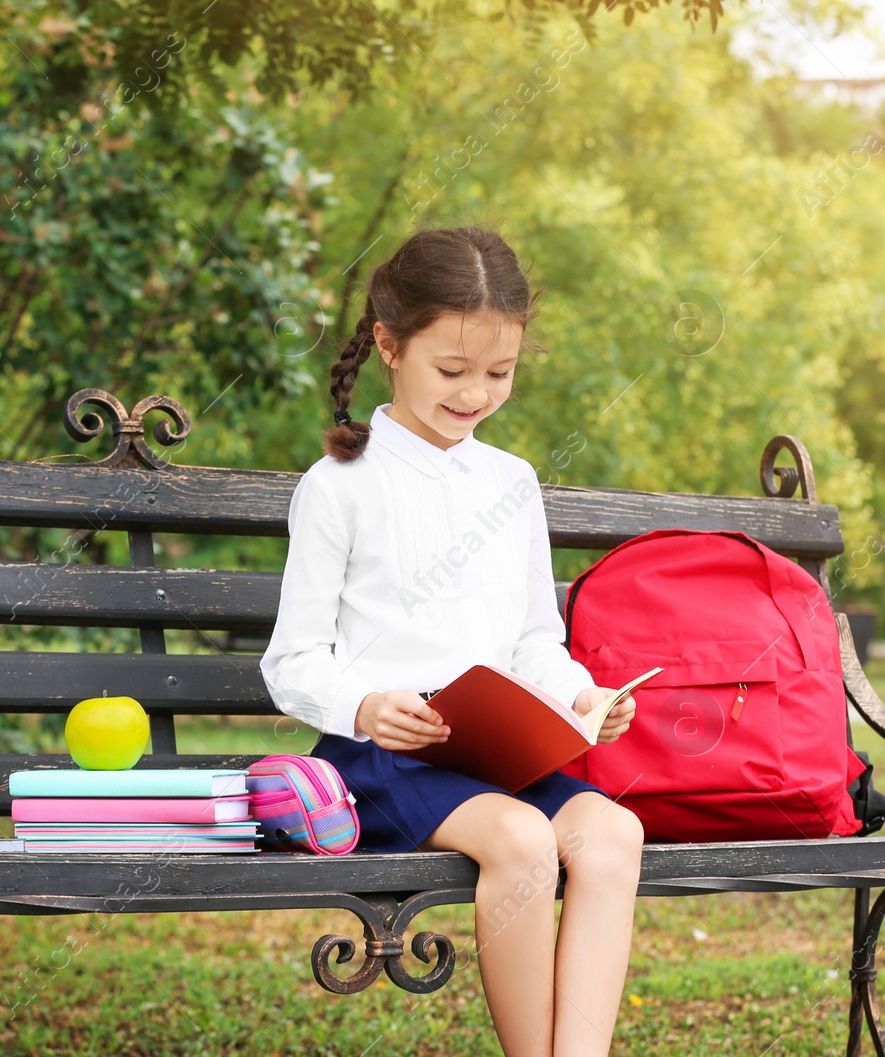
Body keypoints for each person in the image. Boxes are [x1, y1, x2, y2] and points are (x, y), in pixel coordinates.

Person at [259, 224, 645, 1057]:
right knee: (522, 838)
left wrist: (578, 694)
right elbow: (291, 663)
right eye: (453, 371)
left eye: (498, 373)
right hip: (387, 758)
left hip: (498, 754)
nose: (475, 394)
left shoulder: (512, 481)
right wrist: (364, 705)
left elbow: (535, 637)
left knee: (614, 834)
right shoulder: (339, 486)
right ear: (391, 346)